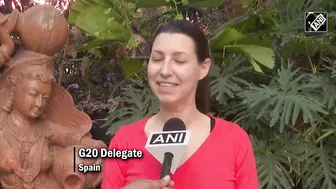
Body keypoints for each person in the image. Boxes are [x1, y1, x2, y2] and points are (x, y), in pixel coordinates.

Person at [101, 20, 259, 189]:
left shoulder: (234, 140)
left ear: (203, 68)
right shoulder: (124, 141)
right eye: (157, 59)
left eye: (179, 61)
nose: (165, 71)